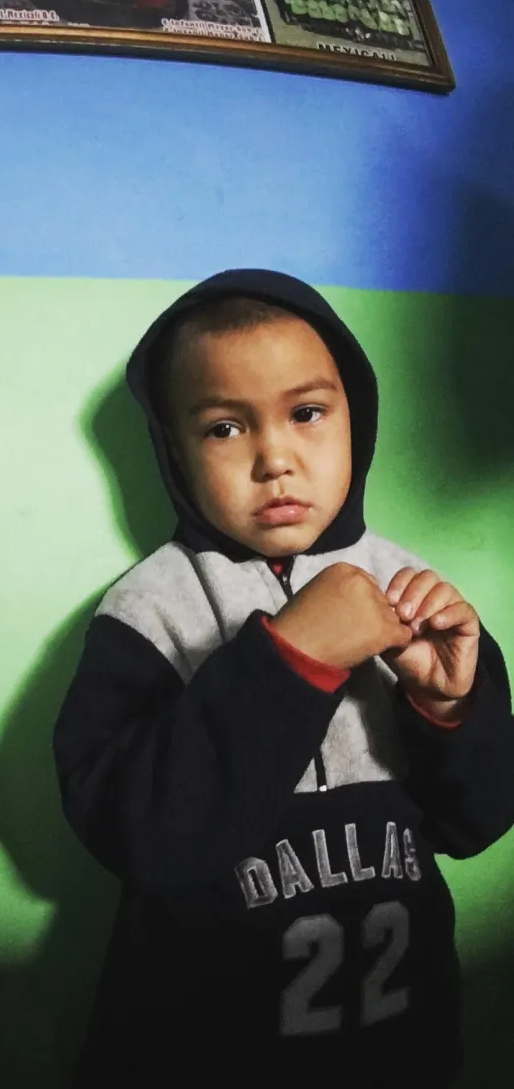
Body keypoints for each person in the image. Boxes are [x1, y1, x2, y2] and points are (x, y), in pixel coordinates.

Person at [54, 269, 514, 1087]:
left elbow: (475, 824)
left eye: (307, 414)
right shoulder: (147, 610)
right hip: (197, 1056)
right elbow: (135, 837)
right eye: (225, 428)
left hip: (404, 1051)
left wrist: (448, 704)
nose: (275, 459)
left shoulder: (417, 594)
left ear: (355, 419)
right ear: (173, 450)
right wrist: (292, 660)